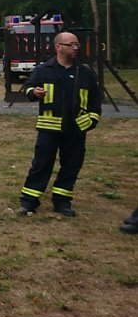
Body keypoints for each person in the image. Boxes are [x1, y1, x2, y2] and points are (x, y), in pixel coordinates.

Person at [18, 31, 101, 217]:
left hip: (77, 127)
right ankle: (29, 201)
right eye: (71, 45)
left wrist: (93, 119)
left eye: (77, 45)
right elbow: (28, 89)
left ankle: (62, 201)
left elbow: (96, 98)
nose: (75, 48)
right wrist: (34, 93)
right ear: (58, 47)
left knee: (71, 165)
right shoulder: (44, 70)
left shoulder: (85, 72)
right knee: (41, 164)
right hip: (50, 126)